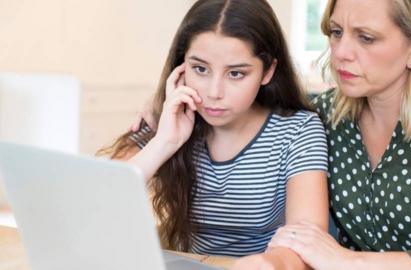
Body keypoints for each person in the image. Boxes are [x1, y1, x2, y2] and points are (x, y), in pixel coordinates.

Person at [100, 0, 329, 269]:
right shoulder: (170, 118)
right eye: (200, 69)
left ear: (268, 71)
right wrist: (164, 143)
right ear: (181, 66)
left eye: (235, 73)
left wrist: (267, 264)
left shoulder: (298, 130)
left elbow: (307, 244)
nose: (213, 92)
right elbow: (96, 205)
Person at [267, 0, 411, 269]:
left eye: (366, 38)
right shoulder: (325, 115)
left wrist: (348, 261)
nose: (341, 52)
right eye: (336, 32)